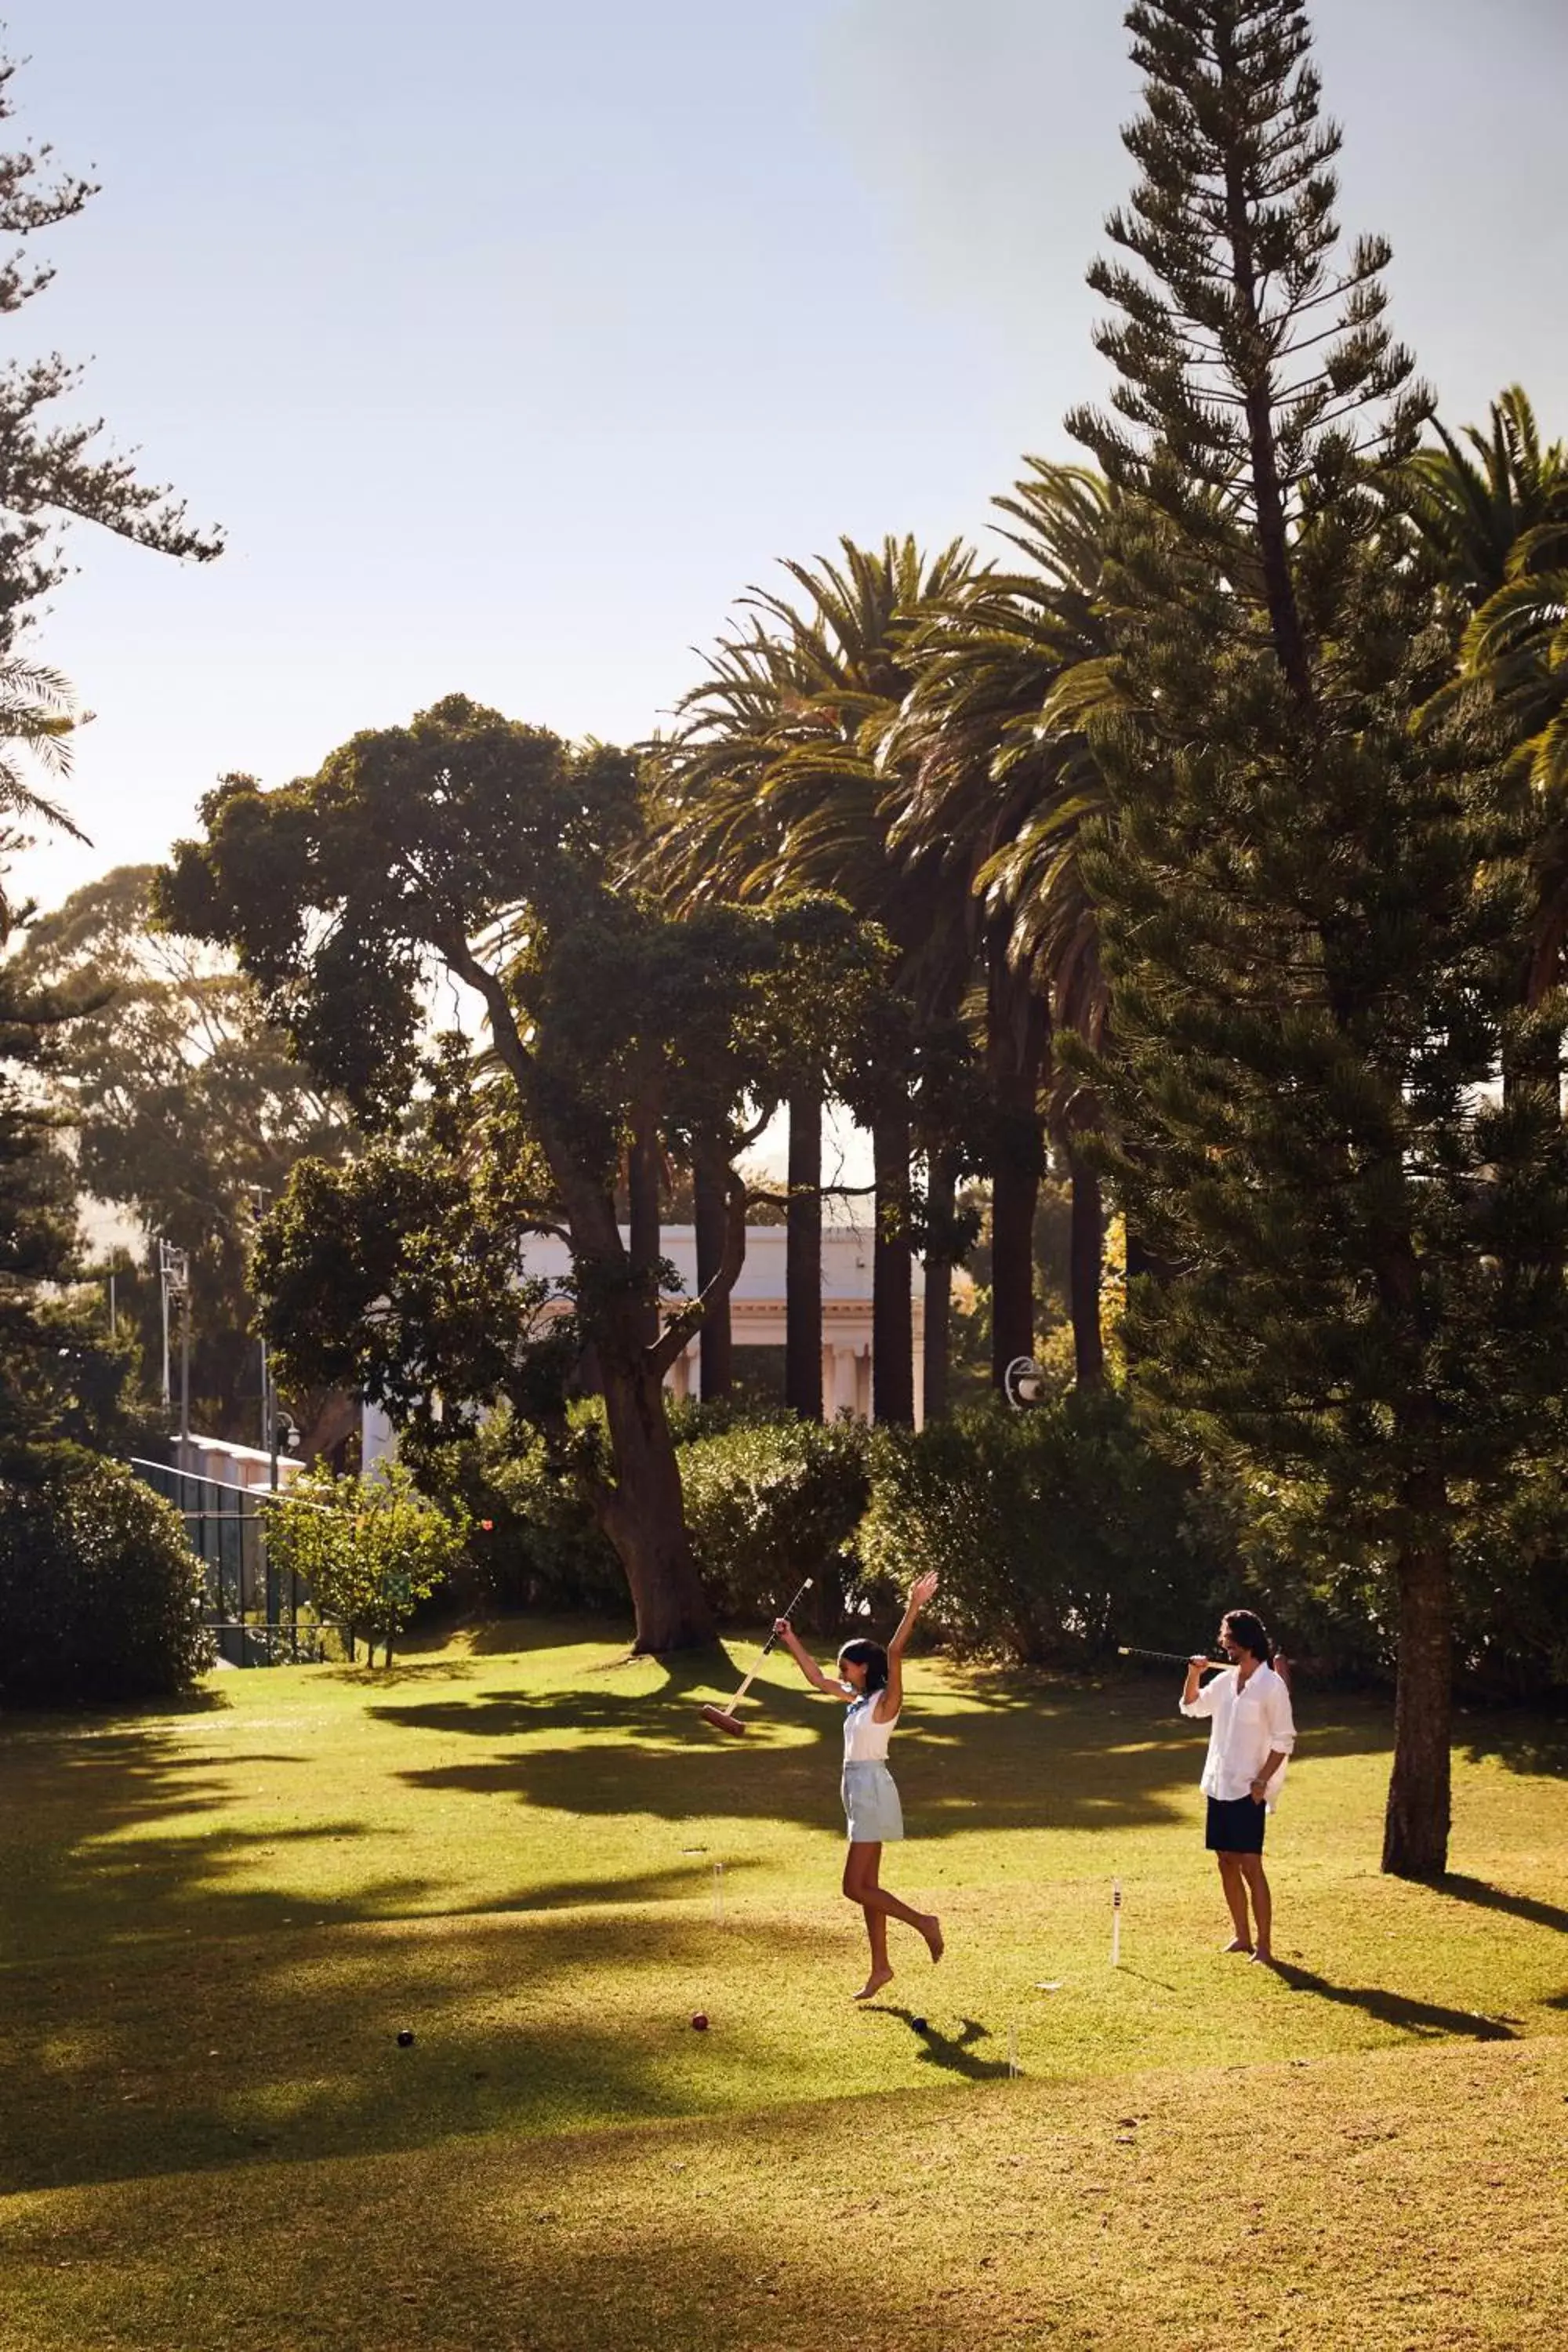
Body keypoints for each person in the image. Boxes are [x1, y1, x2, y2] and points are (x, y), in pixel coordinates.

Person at [775, 1570, 944, 2001]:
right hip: (857, 1790)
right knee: (869, 1888)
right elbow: (816, 1679)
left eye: (846, 1667)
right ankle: (881, 1968)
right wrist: (790, 1638)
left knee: (854, 1887)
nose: (841, 1674)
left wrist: (914, 1606)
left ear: (864, 1667)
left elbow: (894, 1649)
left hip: (872, 1790)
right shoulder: (857, 1702)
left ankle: (924, 1922)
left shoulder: (887, 1702)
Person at [1180, 1610, 1296, 1965]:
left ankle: (1264, 1946)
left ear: (1245, 1640)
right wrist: (1193, 1675)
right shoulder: (1226, 1681)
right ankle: (1241, 1937)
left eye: (1228, 1638)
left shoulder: (1270, 1686)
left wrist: (1262, 1781)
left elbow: (1284, 1740)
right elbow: (1191, 1707)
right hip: (1219, 1785)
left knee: (1251, 1865)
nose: (1224, 1644)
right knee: (1225, 1861)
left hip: (1249, 1790)